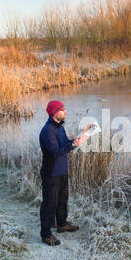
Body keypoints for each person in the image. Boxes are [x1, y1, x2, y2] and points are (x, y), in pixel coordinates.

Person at [39, 100, 87, 246]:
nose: (66, 111)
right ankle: (46, 234)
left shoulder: (60, 127)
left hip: (62, 171)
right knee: (49, 204)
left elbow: (65, 144)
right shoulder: (48, 131)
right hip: (51, 173)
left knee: (62, 200)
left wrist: (75, 141)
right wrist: (72, 145)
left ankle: (61, 224)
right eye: (63, 109)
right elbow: (55, 152)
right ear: (55, 113)